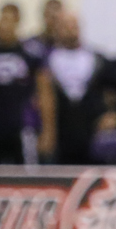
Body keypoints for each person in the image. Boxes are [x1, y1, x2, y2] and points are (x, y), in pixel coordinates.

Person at [0, 2, 56, 165]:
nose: (5, 25)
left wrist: (48, 131)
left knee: (27, 173)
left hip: (23, 125)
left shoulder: (31, 54)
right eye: (2, 19)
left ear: (17, 22)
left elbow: (45, 93)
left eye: (10, 20)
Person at [45, 12, 101, 165]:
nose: (70, 30)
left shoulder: (96, 59)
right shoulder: (46, 60)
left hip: (89, 129)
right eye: (65, 26)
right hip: (60, 130)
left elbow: (111, 88)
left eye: (73, 26)